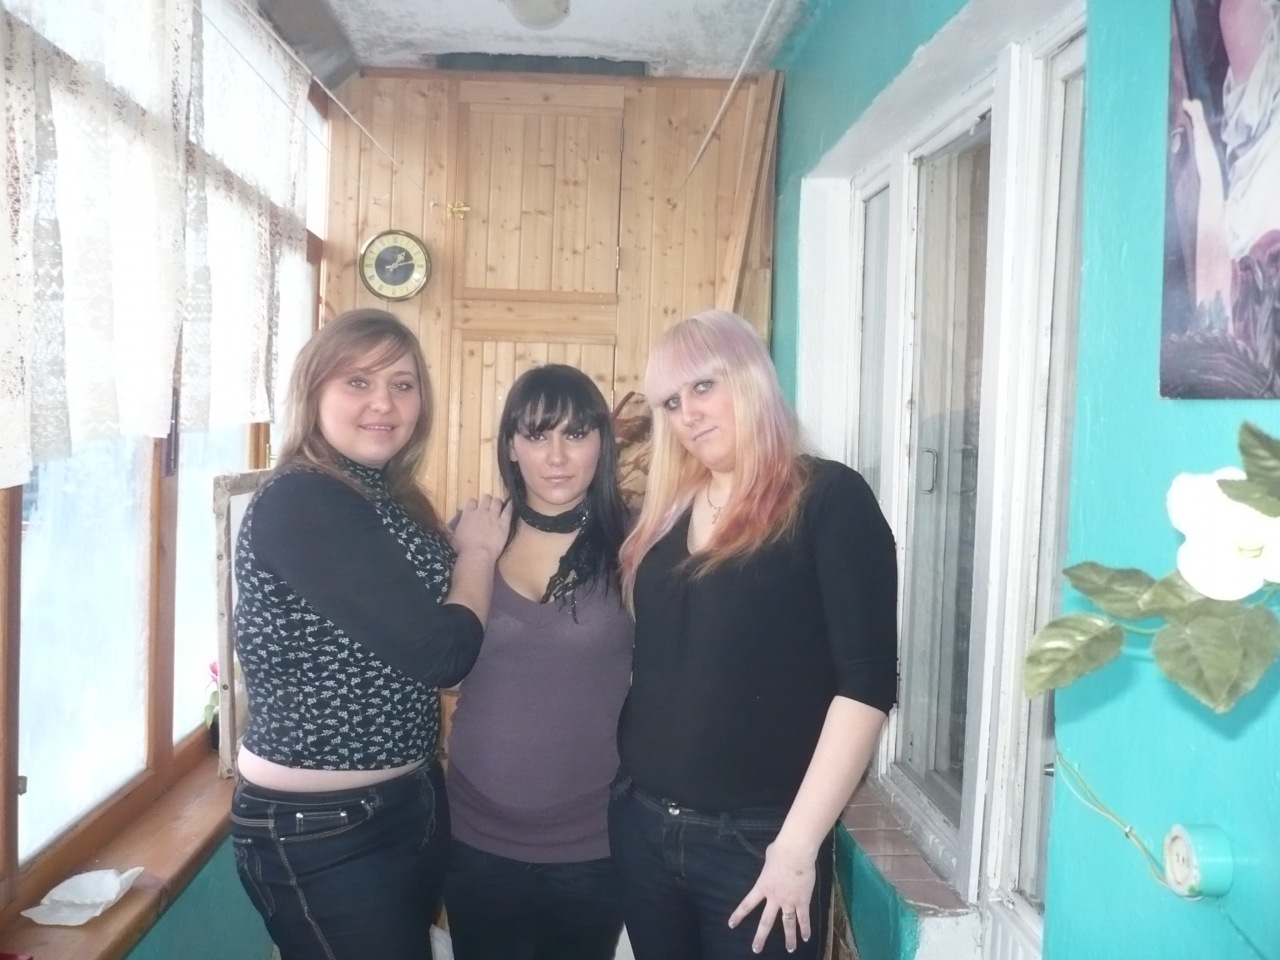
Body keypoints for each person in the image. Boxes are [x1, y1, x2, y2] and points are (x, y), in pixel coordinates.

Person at [609, 310, 898, 960]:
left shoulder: (827, 498)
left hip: (757, 845)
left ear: (750, 378)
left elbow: (867, 684)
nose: (688, 414)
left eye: (703, 386)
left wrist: (796, 848)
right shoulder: (666, 514)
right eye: (672, 402)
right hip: (643, 826)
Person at [229, 309, 511, 960]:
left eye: (402, 385)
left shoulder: (388, 497)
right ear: (314, 392)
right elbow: (443, 654)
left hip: (409, 800)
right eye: (358, 381)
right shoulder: (303, 499)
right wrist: (477, 553)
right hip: (322, 831)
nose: (384, 403)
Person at [443, 364, 634, 960]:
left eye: (575, 434)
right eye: (536, 434)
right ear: (511, 446)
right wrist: (473, 555)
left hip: (592, 844)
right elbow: (442, 665)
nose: (556, 456)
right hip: (473, 835)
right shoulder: (471, 536)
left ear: (602, 442)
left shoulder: (636, 543)